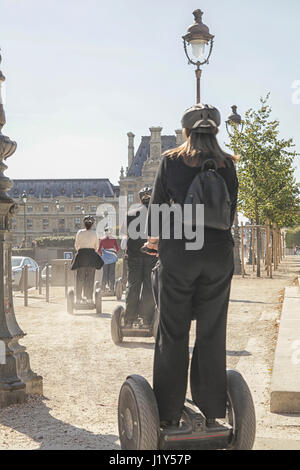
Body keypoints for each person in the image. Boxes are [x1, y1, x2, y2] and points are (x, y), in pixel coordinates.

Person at [144, 104, 239, 429]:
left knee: (173, 333)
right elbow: (230, 214)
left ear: (185, 131)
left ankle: (169, 414)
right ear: (215, 130)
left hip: (181, 254)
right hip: (218, 256)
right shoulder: (228, 164)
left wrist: (156, 242)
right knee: (212, 331)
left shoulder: (171, 161)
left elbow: (156, 211)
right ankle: (212, 410)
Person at [121, 186, 157, 328]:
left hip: (134, 256)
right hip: (152, 256)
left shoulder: (131, 213)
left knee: (133, 286)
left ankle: (129, 319)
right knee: (149, 287)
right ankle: (147, 320)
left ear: (140, 199)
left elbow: (126, 236)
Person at [71, 215, 104, 303]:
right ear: (92, 224)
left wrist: (81, 250)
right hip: (91, 256)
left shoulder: (79, 232)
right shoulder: (95, 233)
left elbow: (76, 246)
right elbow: (97, 247)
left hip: (81, 256)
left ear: (84, 224)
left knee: (80, 278)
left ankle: (78, 299)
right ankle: (89, 298)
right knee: (90, 278)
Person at [98, 227, 119, 292]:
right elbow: (117, 249)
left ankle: (103, 288)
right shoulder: (113, 239)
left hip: (105, 257)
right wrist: (114, 252)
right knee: (112, 272)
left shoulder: (102, 239)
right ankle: (111, 288)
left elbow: (99, 250)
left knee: (105, 273)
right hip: (112, 256)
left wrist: (103, 254)